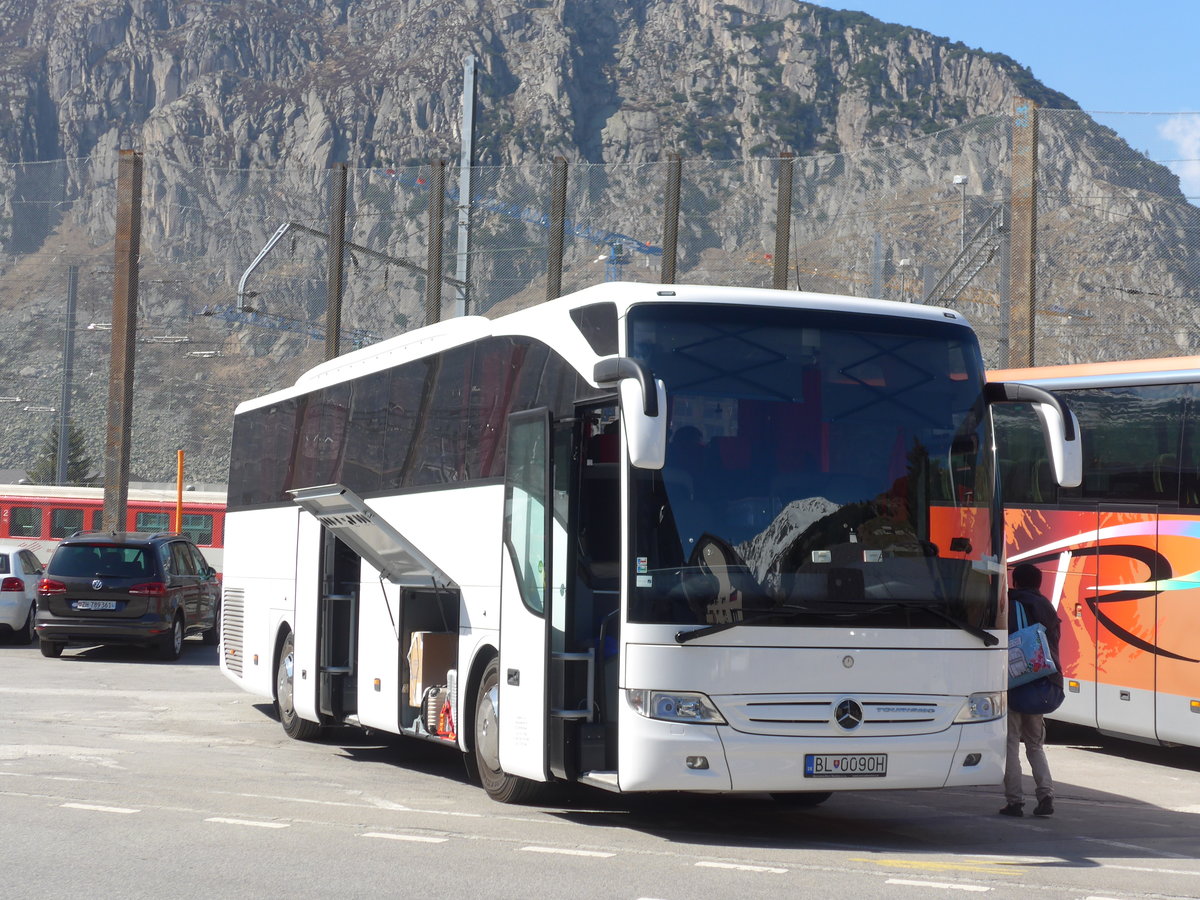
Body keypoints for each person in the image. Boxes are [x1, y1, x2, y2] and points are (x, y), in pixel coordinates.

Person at [1000, 562, 1063, 818]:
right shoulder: (1046, 606)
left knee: (1011, 743)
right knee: (1035, 745)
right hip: (1041, 681)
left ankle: (1015, 801)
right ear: (1038, 582)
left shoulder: (1011, 603)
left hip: (1016, 683)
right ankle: (1046, 794)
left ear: (1016, 581)